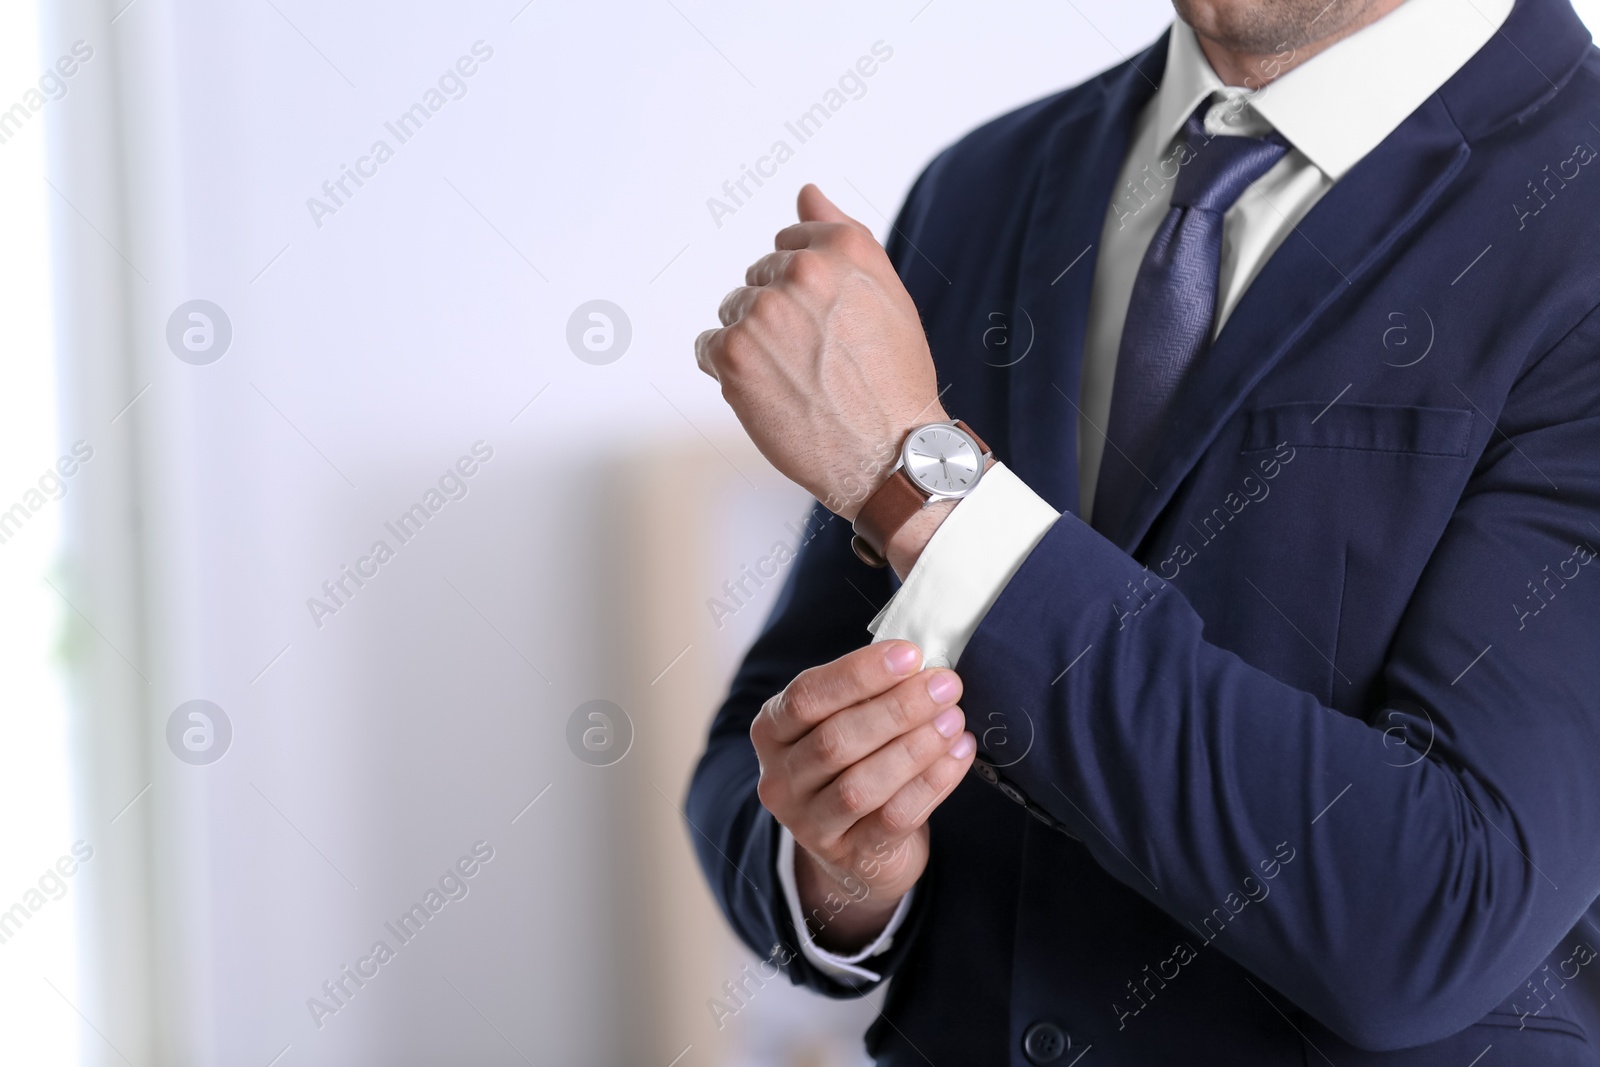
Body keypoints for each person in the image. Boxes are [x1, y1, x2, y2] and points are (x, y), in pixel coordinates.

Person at [687, 0, 1600, 1061]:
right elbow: (765, 738)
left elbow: (1439, 914)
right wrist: (842, 872)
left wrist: (924, 487)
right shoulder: (982, 185)